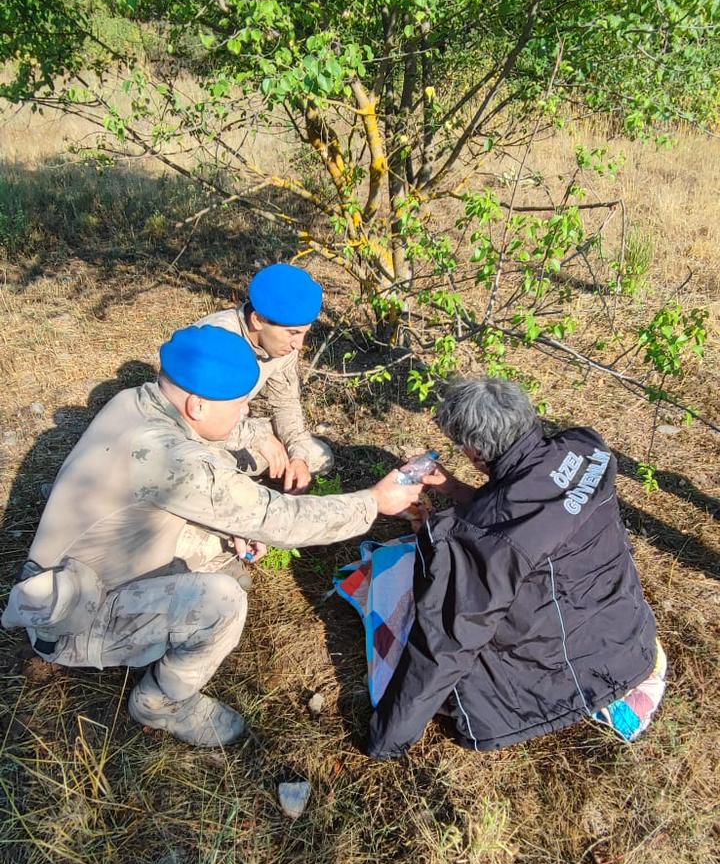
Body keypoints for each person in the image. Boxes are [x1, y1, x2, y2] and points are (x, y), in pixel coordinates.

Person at [2, 326, 423, 748]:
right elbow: (280, 519)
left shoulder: (136, 401)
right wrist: (374, 502)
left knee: (223, 550)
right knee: (222, 602)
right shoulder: (171, 460)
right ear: (197, 405)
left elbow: (191, 486)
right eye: (240, 405)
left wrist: (227, 524)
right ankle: (161, 703)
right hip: (72, 622)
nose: (244, 414)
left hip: (91, 567)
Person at [366, 376, 665, 760]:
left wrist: (385, 741)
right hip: (628, 640)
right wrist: (453, 488)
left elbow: (447, 644)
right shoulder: (585, 448)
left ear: (475, 450)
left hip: (558, 677)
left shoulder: (483, 537)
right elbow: (530, 505)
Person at [197, 261, 331, 494]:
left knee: (319, 457)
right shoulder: (218, 340)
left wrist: (298, 456)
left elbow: (285, 402)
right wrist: (259, 438)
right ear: (258, 320)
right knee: (208, 470)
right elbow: (199, 419)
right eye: (293, 333)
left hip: (237, 427)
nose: (299, 345)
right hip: (200, 436)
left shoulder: (282, 347)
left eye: (304, 333)